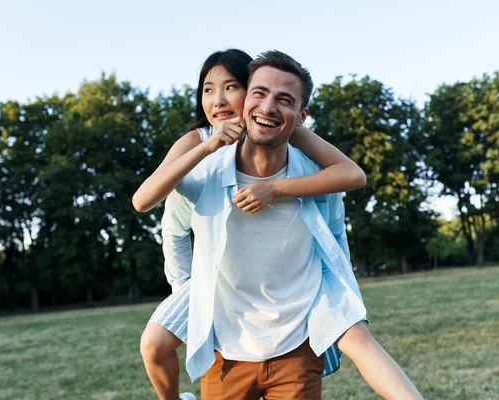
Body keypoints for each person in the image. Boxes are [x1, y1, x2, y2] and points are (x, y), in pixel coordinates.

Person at [143, 50, 423, 399]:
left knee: (357, 336)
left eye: (231, 88)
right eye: (208, 90)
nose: (219, 101)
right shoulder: (197, 154)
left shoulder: (307, 157)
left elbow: (352, 178)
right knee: (153, 343)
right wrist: (192, 289)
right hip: (214, 308)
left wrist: (274, 188)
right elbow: (151, 208)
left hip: (294, 321)